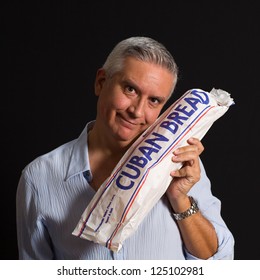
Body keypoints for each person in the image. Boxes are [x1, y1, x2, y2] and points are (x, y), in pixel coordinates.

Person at [16, 36, 235, 260]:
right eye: (130, 89)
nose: (137, 112)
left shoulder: (180, 163)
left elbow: (219, 261)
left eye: (154, 101)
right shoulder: (39, 177)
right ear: (101, 82)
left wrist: (180, 199)